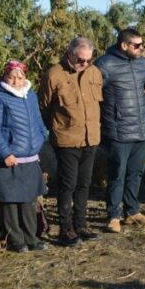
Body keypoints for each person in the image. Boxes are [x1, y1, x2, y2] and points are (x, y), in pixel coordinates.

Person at [38, 37, 102, 246]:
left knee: (84, 184)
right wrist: (57, 128)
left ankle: (80, 224)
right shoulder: (54, 74)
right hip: (66, 140)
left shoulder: (94, 72)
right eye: (80, 59)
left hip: (90, 138)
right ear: (69, 53)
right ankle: (65, 229)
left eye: (88, 60)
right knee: (68, 185)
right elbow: (44, 107)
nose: (84, 63)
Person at [95, 28, 145, 233]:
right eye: (136, 45)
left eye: (142, 44)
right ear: (123, 45)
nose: (141, 48)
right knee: (117, 175)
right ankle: (113, 215)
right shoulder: (104, 64)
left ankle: (132, 211)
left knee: (135, 173)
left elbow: (141, 89)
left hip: (141, 129)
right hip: (118, 131)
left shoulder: (141, 64)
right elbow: (96, 96)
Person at [0, 60, 48, 253]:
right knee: (10, 202)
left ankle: (32, 238)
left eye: (20, 77)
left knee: (29, 200)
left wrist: (41, 138)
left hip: (30, 157)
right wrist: (5, 152)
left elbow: (38, 120)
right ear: (5, 76)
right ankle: (16, 240)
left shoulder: (30, 95)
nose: (16, 81)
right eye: (12, 77)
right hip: (10, 158)